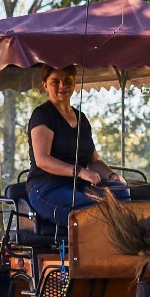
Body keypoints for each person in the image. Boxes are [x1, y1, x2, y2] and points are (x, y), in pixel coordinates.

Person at [26, 65, 129, 229]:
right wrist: (80, 172)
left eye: (67, 81)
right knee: (93, 207)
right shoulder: (43, 114)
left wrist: (111, 175)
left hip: (80, 187)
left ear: (74, 83)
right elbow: (42, 160)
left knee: (121, 191)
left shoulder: (81, 118)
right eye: (55, 81)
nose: (62, 86)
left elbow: (94, 160)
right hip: (47, 188)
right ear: (45, 84)